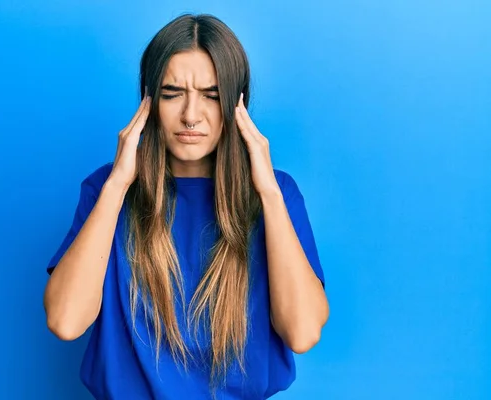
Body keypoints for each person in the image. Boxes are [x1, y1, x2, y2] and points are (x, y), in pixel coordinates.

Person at [43, 13, 328, 400]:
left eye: (211, 96)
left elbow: (303, 331)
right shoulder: (105, 189)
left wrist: (268, 193)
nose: (191, 116)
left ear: (236, 104)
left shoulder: (276, 194)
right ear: (148, 99)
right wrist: (119, 184)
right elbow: (65, 320)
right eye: (172, 93)